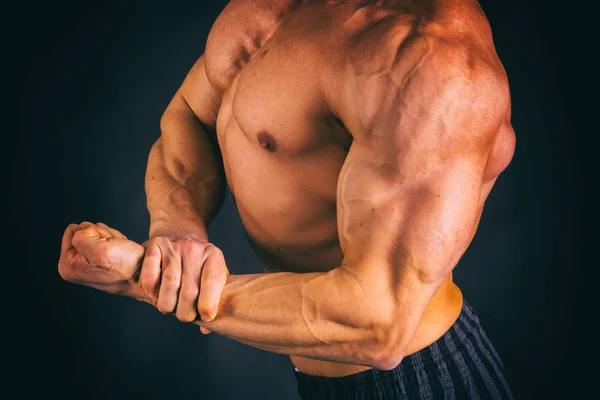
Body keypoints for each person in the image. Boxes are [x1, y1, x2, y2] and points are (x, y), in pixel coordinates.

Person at [58, 0, 516, 398]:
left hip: (416, 383)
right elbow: (191, 115)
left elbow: (378, 321)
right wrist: (177, 230)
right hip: (313, 377)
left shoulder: (433, 63)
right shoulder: (268, 11)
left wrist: (146, 279)